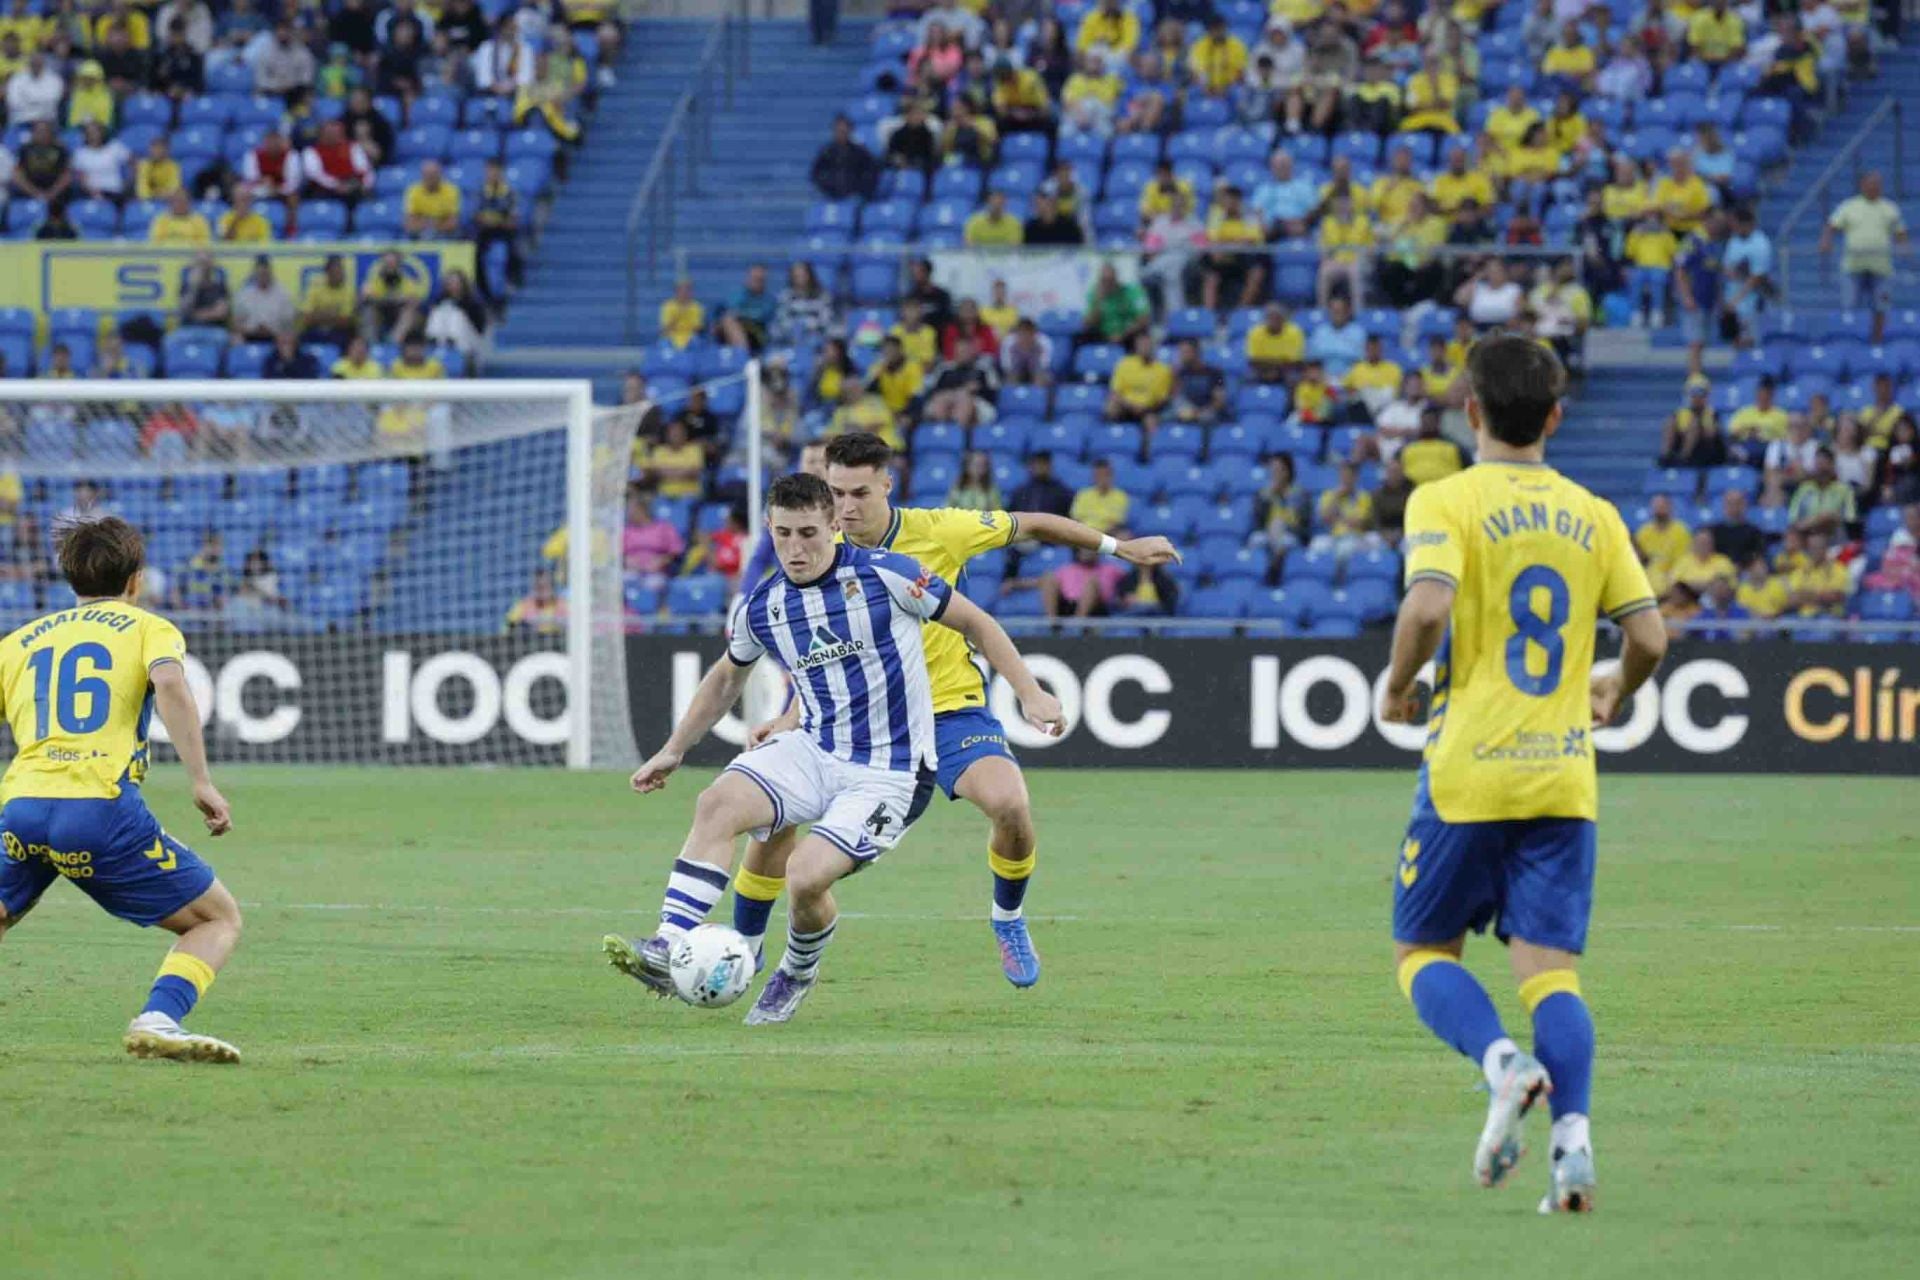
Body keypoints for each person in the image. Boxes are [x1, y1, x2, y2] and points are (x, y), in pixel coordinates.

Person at [602, 470, 1067, 1024]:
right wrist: (674, 748)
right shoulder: (763, 605)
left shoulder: (888, 576)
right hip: (814, 750)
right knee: (716, 803)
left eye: (807, 533)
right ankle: (667, 941)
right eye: (782, 535)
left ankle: (796, 972)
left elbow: (978, 622)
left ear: (832, 526)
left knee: (804, 877)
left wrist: (1029, 692)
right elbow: (728, 677)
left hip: (890, 772)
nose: (794, 549)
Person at [716, 434, 1177, 991]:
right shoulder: (815, 552)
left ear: (888, 485)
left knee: (1010, 803)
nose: (845, 508)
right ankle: (741, 946)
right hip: (854, 724)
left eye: (859, 492)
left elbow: (1030, 524)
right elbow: (819, 654)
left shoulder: (939, 532)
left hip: (948, 710)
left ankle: (1007, 918)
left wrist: (1116, 548)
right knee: (774, 821)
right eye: (835, 493)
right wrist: (790, 717)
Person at [1380, 335, 1666, 1217]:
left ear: (1470, 411)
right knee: (1552, 976)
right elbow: (1649, 636)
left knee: (1422, 952)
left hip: (1470, 772)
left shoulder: (1446, 498)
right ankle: (1573, 1147)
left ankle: (1504, 1066)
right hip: (1562, 780)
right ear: (1555, 416)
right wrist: (1617, 683)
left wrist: (1398, 685)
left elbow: (1427, 604)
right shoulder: (1595, 511)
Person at [0, 517, 241, 1063]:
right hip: (99, 809)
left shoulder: (17, 643)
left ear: (69, 581)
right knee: (216, 918)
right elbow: (172, 683)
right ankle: (159, 1018)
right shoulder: (147, 628)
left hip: (22, 808)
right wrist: (200, 780)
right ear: (136, 579)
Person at [1818, 172, 1910, 341]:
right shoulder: (1849, 206)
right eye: (1870, 184)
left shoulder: (1889, 208)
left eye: (1877, 184)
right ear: (1862, 185)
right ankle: (1847, 341)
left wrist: (1904, 247)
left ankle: (1876, 340)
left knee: (1881, 306)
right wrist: (1826, 241)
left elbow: (1900, 231)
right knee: (1849, 306)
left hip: (1881, 268)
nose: (1874, 187)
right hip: (1853, 267)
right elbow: (1831, 225)